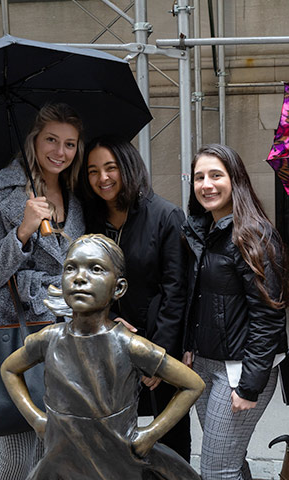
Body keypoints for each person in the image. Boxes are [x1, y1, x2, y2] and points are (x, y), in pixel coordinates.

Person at [0, 234, 204, 480]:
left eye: (96, 269)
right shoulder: (49, 339)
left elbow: (193, 384)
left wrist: (150, 434)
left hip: (116, 465)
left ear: (118, 288)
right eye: (70, 268)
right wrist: (37, 420)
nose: (80, 278)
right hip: (62, 463)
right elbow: (9, 369)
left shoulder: (129, 345)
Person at [0, 103, 85, 479]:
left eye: (69, 144)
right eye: (51, 140)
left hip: (67, 339)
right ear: (34, 139)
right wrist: (22, 230)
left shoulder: (76, 193)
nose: (60, 152)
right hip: (15, 335)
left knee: (56, 449)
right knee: (19, 454)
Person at [78, 136, 191, 459]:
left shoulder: (166, 216)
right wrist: (110, 321)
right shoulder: (89, 219)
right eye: (93, 171)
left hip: (156, 340)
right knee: (110, 438)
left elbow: (175, 292)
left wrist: (157, 357)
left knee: (169, 440)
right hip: (105, 343)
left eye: (111, 168)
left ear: (128, 168)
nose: (103, 178)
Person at [182, 144, 289, 480]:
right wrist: (190, 344)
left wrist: (249, 385)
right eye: (200, 177)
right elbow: (199, 298)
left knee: (216, 470)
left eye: (216, 175)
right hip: (204, 363)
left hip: (240, 369)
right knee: (228, 459)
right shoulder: (203, 231)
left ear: (236, 180)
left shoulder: (253, 235)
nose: (206, 184)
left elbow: (269, 316)